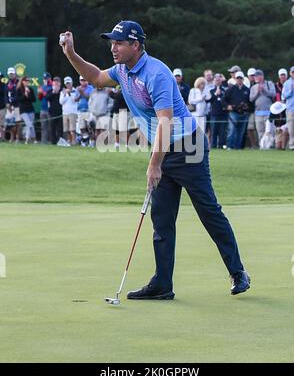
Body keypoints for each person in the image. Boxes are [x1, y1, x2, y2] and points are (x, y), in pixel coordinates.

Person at [59, 20, 250, 299]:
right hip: (163, 149)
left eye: (119, 42)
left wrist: (154, 164)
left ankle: (238, 273)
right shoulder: (123, 70)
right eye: (112, 42)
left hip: (188, 146)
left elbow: (166, 122)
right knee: (161, 219)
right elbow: (97, 77)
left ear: (135, 45)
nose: (113, 47)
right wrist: (70, 54)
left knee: (208, 210)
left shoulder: (156, 73)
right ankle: (162, 284)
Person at [222, 71, 250, 149]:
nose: (239, 79)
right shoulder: (231, 89)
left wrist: (248, 107)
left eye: (241, 78)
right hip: (233, 113)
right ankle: (230, 146)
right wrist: (227, 106)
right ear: (235, 79)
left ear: (243, 79)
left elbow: (250, 102)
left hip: (244, 114)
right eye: (238, 78)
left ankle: (238, 147)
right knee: (232, 130)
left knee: (241, 132)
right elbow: (223, 100)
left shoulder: (247, 90)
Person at [250, 69, 276, 143]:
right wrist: (257, 92)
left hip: (268, 112)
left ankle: (270, 145)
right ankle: (262, 146)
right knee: (260, 130)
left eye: (257, 76)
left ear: (262, 76)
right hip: (258, 113)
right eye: (254, 76)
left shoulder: (269, 83)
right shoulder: (253, 87)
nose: (255, 77)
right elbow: (251, 99)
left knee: (269, 131)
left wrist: (264, 90)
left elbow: (273, 94)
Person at [282, 66, 294, 150]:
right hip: (290, 110)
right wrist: (291, 91)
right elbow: (284, 96)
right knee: (292, 130)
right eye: (292, 72)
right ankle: (293, 146)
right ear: (290, 73)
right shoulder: (286, 83)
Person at [209, 73, 228, 149]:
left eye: (219, 79)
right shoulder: (211, 91)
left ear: (221, 81)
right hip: (214, 114)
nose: (217, 81)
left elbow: (227, 100)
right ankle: (213, 146)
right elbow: (209, 100)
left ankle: (221, 146)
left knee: (222, 132)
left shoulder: (225, 90)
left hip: (223, 114)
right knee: (214, 131)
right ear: (214, 81)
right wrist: (215, 94)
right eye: (216, 80)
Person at [16, 76, 37, 144]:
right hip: (23, 110)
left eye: (28, 81)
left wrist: (28, 94)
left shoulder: (30, 89)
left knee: (31, 125)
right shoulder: (19, 89)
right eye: (26, 81)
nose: (27, 82)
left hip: (30, 109)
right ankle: (27, 139)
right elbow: (19, 100)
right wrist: (24, 94)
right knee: (29, 125)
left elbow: (34, 100)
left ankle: (33, 139)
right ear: (22, 81)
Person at [59, 76, 78, 145]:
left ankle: (74, 141)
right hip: (65, 113)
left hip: (72, 112)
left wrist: (69, 93)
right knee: (66, 130)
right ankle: (69, 141)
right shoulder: (62, 92)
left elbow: (74, 101)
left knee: (72, 129)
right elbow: (61, 102)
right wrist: (65, 94)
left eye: (69, 83)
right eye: (67, 83)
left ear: (72, 83)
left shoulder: (75, 91)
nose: (68, 85)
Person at [5, 67, 21, 143]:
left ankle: (17, 138)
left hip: (16, 105)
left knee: (17, 122)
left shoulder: (18, 82)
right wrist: (7, 103)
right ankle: (12, 137)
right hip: (9, 106)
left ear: (15, 74)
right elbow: (6, 95)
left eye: (12, 73)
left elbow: (18, 94)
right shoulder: (8, 83)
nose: (11, 75)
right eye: (10, 74)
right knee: (10, 123)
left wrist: (11, 103)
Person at [46, 76, 63, 144]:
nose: (56, 83)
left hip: (60, 112)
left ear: (60, 83)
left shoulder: (62, 90)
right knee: (52, 128)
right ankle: (53, 142)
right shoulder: (50, 91)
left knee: (60, 128)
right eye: (55, 82)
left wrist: (59, 91)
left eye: (57, 82)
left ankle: (60, 141)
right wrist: (53, 92)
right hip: (52, 112)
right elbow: (47, 98)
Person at [37, 72, 52, 144]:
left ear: (49, 78)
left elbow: (48, 96)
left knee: (50, 127)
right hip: (43, 109)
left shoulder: (52, 86)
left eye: (46, 78)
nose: (45, 80)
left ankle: (51, 141)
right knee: (43, 127)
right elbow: (40, 98)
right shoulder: (42, 86)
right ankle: (44, 141)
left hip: (50, 109)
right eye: (44, 79)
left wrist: (42, 91)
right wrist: (39, 93)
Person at [0, 72, 7, 141]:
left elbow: (5, 96)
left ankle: (2, 138)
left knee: (2, 123)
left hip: (2, 107)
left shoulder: (4, 85)